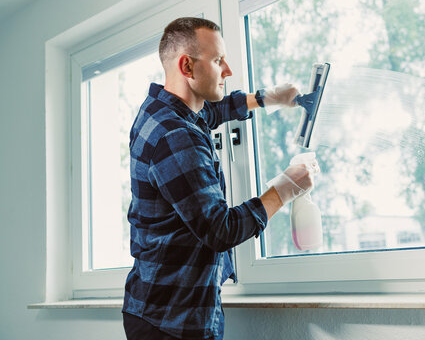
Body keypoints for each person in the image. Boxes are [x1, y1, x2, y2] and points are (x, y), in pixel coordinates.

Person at [122, 17, 316, 340]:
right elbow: (219, 229)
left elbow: (212, 111)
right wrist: (285, 188)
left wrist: (266, 98)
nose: (228, 70)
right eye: (217, 61)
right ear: (187, 66)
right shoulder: (175, 136)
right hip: (170, 323)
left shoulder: (163, 108)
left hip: (155, 309)